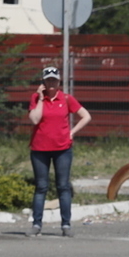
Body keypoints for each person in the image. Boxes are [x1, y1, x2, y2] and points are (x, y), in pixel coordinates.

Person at [27, 66, 91, 237]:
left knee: (63, 186)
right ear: (43, 82)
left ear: (59, 81)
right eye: (48, 80)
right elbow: (34, 119)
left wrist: (72, 132)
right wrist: (41, 98)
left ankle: (66, 224)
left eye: (54, 80)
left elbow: (86, 116)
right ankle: (36, 224)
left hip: (62, 149)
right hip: (39, 149)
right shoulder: (36, 98)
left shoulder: (67, 99)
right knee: (41, 187)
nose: (51, 83)